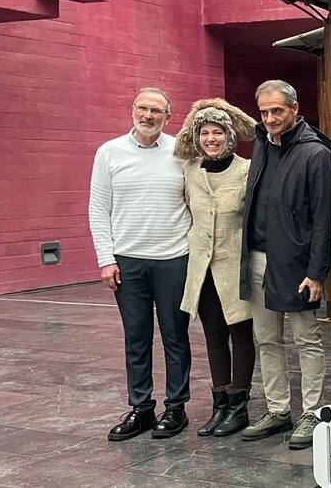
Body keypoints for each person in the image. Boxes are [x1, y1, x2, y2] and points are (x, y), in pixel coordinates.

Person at [89, 87, 193, 441]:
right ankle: (142, 409)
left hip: (173, 259)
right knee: (136, 337)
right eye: (143, 109)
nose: (148, 116)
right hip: (127, 261)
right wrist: (106, 258)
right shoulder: (109, 153)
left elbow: (194, 203)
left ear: (169, 116)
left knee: (175, 336)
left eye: (157, 111)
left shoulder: (181, 151)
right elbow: (98, 209)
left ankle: (176, 408)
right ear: (132, 110)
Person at [239, 80, 331, 450]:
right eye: (264, 112)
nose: (270, 118)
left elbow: (323, 217)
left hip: (296, 264)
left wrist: (316, 272)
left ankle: (312, 412)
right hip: (258, 258)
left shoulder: (315, 153)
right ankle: (278, 410)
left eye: (277, 110)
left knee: (306, 339)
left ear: (294, 109)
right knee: (266, 339)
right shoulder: (262, 144)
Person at [173, 98, 257, 437]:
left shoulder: (246, 169)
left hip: (234, 266)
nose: (211, 138)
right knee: (214, 336)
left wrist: (219, 107)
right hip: (201, 268)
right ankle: (220, 405)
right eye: (205, 132)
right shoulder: (190, 170)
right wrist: (196, 113)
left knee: (240, 333)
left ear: (229, 135)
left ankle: (239, 407)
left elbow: (253, 128)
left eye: (218, 132)